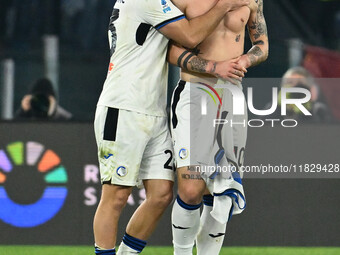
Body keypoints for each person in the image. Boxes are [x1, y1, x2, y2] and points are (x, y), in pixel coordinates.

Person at [92, 0, 250, 254]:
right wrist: (224, 6)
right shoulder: (147, 0)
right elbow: (190, 35)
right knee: (116, 196)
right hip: (124, 106)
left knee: (161, 195)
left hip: (154, 109)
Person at [166, 0, 269, 254]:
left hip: (231, 94)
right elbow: (171, 51)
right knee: (191, 188)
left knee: (223, 190)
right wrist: (215, 67)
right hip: (194, 91)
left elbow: (262, 45)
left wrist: (245, 60)